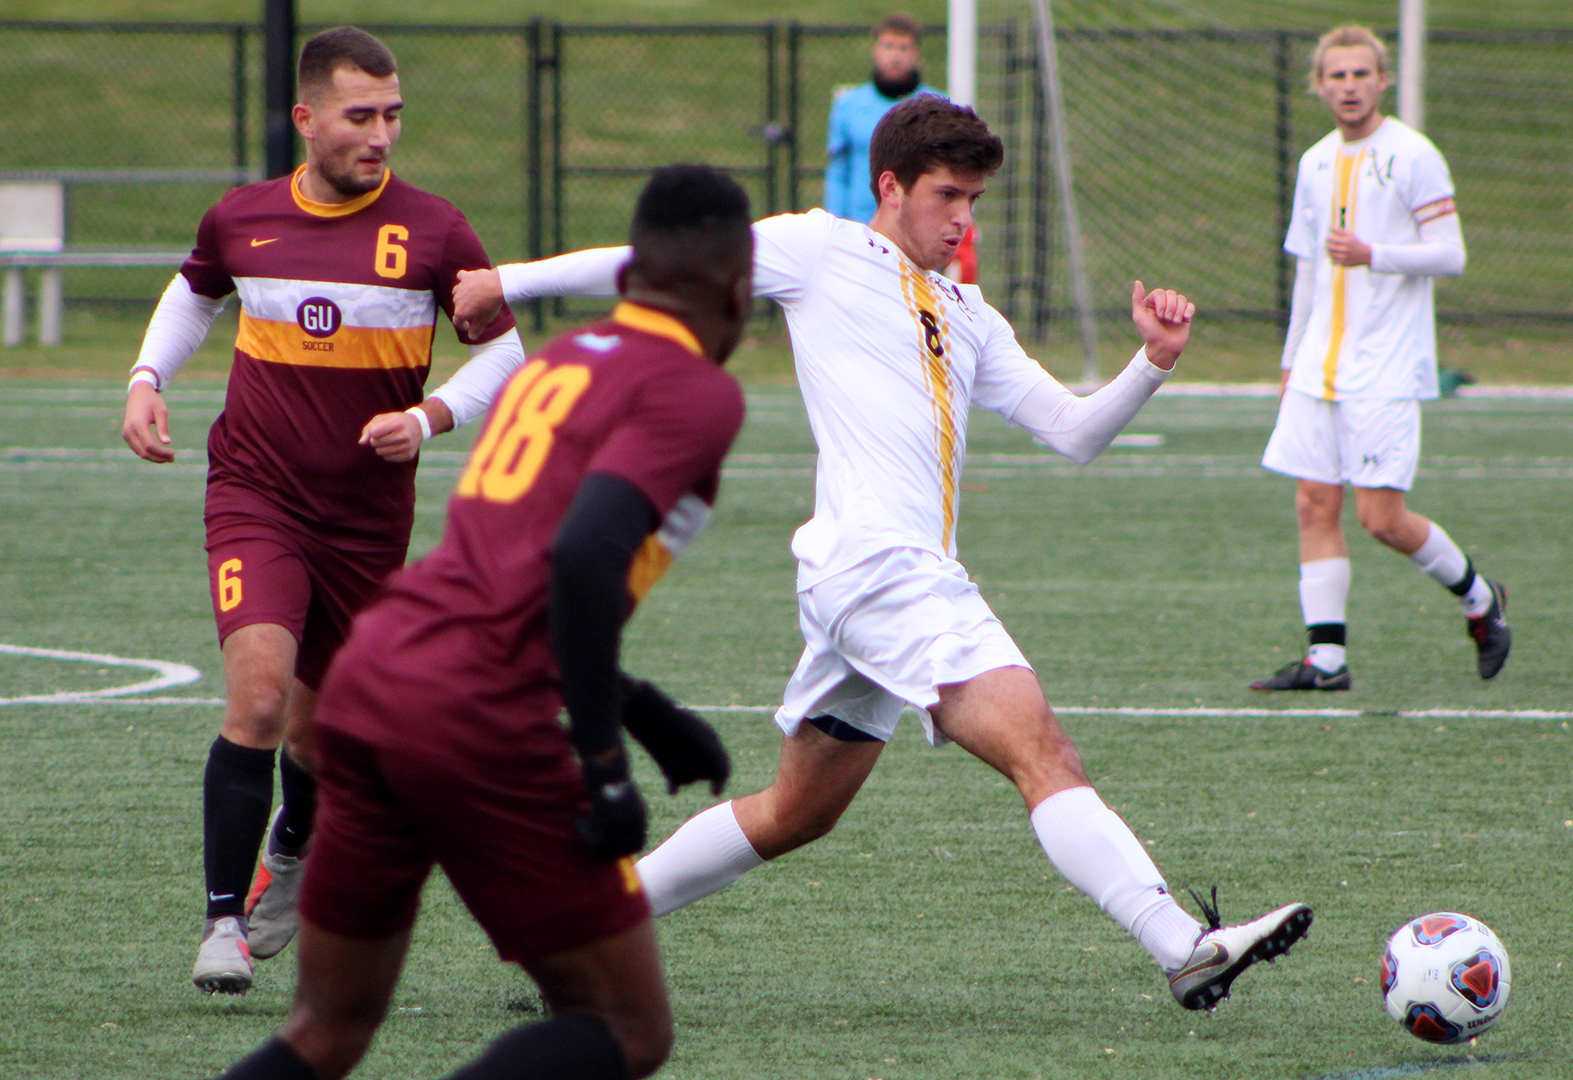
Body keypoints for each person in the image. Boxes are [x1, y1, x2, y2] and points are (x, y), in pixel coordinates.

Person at [453, 96, 1311, 1013]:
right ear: (891, 185)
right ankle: (1182, 944)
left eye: (975, 200)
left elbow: (1073, 432)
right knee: (1042, 749)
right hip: (881, 572)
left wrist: (1154, 361)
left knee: (795, 815)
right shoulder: (820, 249)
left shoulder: (968, 312)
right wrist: (506, 278)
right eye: (948, 196)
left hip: (875, 582)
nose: (962, 220)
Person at [211, 164, 751, 1080]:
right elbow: (578, 562)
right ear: (741, 290)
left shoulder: (568, 360)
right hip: (476, 712)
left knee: (326, 1031)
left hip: (374, 677)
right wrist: (605, 765)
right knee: (627, 1027)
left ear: (629, 279)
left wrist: (637, 704)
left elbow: (503, 573)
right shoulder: (698, 392)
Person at [119, 26, 526, 994]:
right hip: (258, 496)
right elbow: (194, 293)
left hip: (366, 522)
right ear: (306, 120)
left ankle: (294, 850)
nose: (380, 136)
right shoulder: (243, 218)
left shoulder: (436, 232)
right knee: (258, 700)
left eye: (392, 116)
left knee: (323, 739)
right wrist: (146, 379)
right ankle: (222, 923)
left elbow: (506, 351)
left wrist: (430, 416)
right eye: (359, 116)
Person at [1249, 25, 1509, 693]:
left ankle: (1480, 597)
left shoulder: (1414, 156)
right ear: (1320, 85)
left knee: (1381, 520)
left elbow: (1451, 254)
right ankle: (1326, 661)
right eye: (1336, 76)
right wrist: (1289, 362)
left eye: (1361, 74)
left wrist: (1376, 255)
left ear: (1382, 80)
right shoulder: (1313, 163)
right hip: (1319, 368)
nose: (1349, 86)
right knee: (1312, 504)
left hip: (1387, 366)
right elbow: (1308, 273)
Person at [824, 13, 941, 225]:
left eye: (903, 48)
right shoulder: (848, 105)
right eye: (888, 46)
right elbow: (838, 172)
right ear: (875, 51)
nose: (895, 56)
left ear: (916, 54)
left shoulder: (937, 106)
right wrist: (834, 222)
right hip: (860, 226)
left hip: (916, 227)